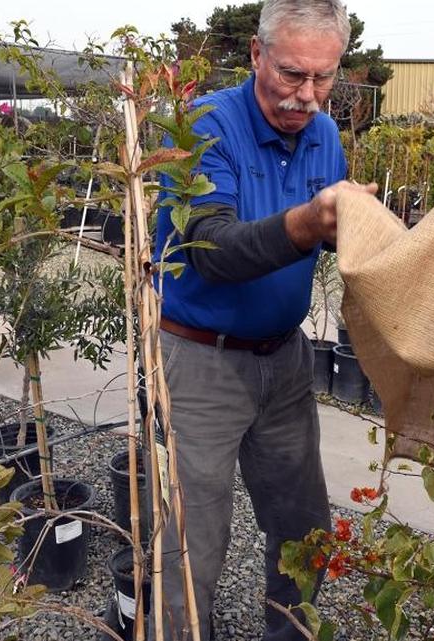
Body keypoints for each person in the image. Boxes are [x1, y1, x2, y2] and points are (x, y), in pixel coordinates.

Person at [151, 1, 377, 639]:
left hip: (284, 362)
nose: (307, 96)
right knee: (192, 539)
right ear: (255, 55)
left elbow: (335, 237)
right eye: (291, 74)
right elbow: (213, 248)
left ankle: (288, 633)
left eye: (324, 78)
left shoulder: (324, 136)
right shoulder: (202, 128)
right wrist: (310, 222)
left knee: (304, 528)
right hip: (200, 363)